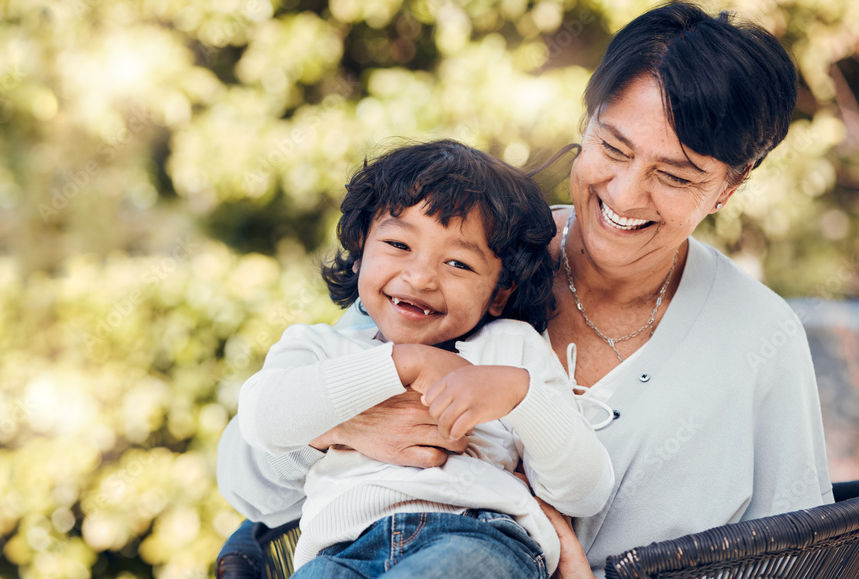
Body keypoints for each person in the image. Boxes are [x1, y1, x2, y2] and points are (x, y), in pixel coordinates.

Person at [218, 3, 834, 577]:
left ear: (731, 185)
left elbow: (805, 554)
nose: (624, 195)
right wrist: (343, 425)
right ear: (585, 122)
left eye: (674, 175)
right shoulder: (470, 258)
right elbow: (253, 482)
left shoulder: (759, 336)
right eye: (611, 148)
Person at [232, 139, 615, 578]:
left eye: (458, 264)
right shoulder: (319, 349)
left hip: (476, 537)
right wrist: (404, 363)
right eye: (398, 244)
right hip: (339, 553)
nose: (420, 277)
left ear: (500, 292)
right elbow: (263, 418)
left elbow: (585, 492)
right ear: (360, 250)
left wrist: (520, 396)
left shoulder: (512, 351)